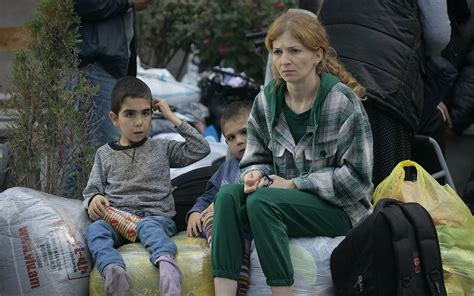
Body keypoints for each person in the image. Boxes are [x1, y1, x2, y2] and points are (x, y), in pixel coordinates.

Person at [211, 10, 374, 295]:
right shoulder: (266, 100)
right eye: (277, 52)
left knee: (262, 203)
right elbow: (255, 159)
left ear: (317, 55)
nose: (284, 61)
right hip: (280, 200)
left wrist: (296, 184)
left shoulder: (341, 102)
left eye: (295, 51)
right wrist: (254, 177)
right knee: (226, 196)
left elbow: (357, 180)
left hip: (338, 209)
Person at [83, 76, 210, 296]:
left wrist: (171, 116)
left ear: (153, 114)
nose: (139, 122)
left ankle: (168, 267)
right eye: (130, 114)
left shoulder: (162, 148)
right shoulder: (104, 154)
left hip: (156, 219)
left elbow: (201, 148)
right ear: (115, 118)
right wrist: (94, 199)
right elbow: (91, 190)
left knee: (146, 226)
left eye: (146, 113)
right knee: (95, 230)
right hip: (119, 221)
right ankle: (113, 271)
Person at [319, 0, 451, 187]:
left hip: (332, 72)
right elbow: (438, 35)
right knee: (384, 186)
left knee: (330, 176)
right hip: (387, 80)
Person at [185, 100, 252, 295]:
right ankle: (227, 251)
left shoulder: (267, 162)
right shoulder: (227, 168)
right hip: (220, 228)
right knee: (207, 216)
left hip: (247, 227)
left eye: (245, 132)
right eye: (231, 138)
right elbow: (208, 195)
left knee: (218, 211)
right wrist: (196, 211)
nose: (239, 141)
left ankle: (234, 256)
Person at [74, 0, 152, 146]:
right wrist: (128, 3)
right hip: (95, 63)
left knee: (110, 145)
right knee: (110, 146)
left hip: (115, 64)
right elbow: (82, 4)